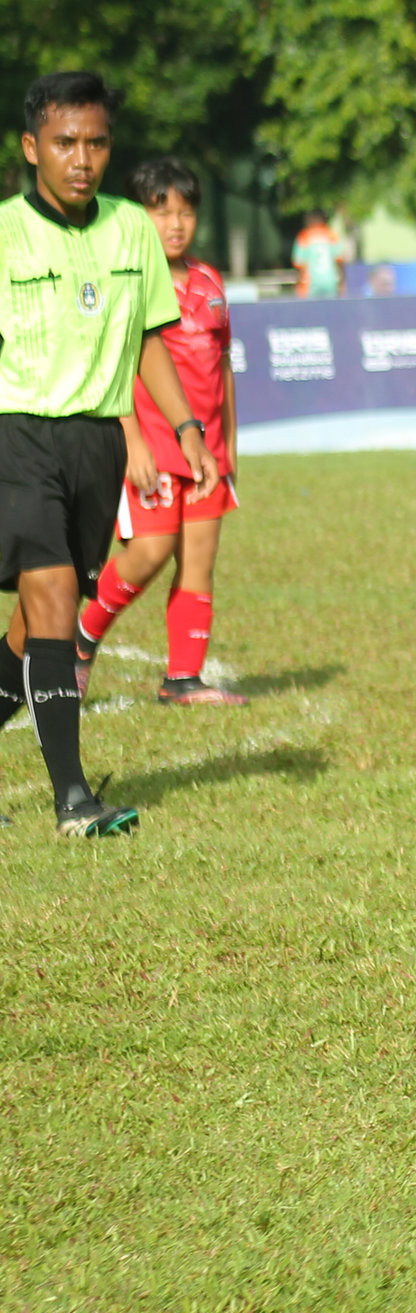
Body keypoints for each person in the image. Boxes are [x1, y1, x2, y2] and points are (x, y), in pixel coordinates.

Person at [0, 72, 214, 836]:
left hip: (96, 442)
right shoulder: (4, 234)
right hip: (18, 432)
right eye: (64, 142)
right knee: (56, 594)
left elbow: (150, 336)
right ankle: (74, 801)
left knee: (33, 627)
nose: (81, 158)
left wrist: (187, 430)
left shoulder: (130, 229)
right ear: (33, 148)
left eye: (95, 143)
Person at [74, 157, 245, 707]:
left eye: (187, 211)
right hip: (149, 447)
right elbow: (114, 363)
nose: (175, 223)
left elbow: (222, 368)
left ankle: (182, 681)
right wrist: (132, 440)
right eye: (161, 211)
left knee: (199, 560)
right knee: (149, 552)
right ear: (135, 216)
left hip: (206, 455)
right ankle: (80, 641)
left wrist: (230, 448)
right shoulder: (126, 281)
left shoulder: (211, 283)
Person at [291, 210, 344, 298]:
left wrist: (298, 283)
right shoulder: (331, 234)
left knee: (311, 310)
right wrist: (341, 281)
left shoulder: (304, 236)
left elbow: (299, 263)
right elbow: (339, 260)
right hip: (330, 282)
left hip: (310, 283)